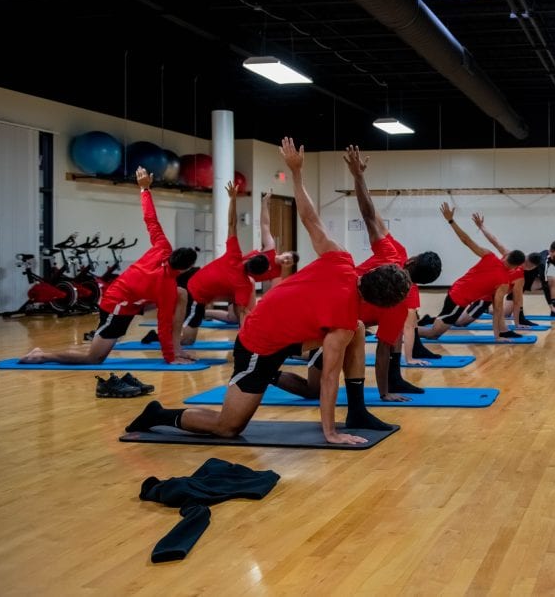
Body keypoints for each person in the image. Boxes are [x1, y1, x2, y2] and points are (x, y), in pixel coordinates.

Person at [125, 137, 412, 445]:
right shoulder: (343, 318)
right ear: (380, 304)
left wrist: (296, 172)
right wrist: (330, 432)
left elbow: (309, 218)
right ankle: (158, 414)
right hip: (257, 345)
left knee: (355, 329)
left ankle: (357, 410)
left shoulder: (340, 258)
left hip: (285, 337)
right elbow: (329, 378)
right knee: (228, 427)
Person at [276, 145, 442, 403]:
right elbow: (383, 351)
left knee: (314, 382)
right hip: (330, 323)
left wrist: (358, 176)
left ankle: (266, 369)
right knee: (314, 381)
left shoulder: (391, 254)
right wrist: (385, 393)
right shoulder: (401, 305)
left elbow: (368, 216)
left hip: (329, 320)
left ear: (410, 260)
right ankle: (268, 367)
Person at [20, 167, 198, 365]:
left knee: (181, 293)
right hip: (117, 305)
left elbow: (151, 221)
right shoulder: (164, 287)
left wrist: (144, 189)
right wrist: (169, 358)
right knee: (94, 358)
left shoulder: (163, 248)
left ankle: (177, 347)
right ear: (185, 269)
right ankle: (41, 355)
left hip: (135, 299)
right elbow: (163, 324)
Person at [143, 182, 269, 346]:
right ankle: (159, 336)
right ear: (257, 275)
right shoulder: (243, 284)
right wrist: (246, 340)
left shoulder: (234, 254)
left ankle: (166, 333)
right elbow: (243, 312)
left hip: (195, 288)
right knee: (186, 340)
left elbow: (232, 224)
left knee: (188, 335)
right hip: (193, 293)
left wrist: (233, 199)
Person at [417, 203, 526, 342]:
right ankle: (403, 331)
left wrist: (451, 221)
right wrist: (497, 337)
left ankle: (411, 327)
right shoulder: (504, 282)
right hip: (458, 299)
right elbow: (498, 309)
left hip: (455, 290)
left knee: (449, 322)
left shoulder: (489, 255)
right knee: (433, 333)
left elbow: (466, 241)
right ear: (515, 267)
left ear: (505, 256)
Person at [203, 189, 299, 324]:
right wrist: (264, 203)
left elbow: (271, 295)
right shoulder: (270, 248)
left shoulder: (277, 274)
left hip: (241, 285)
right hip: (230, 273)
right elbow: (265, 225)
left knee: (233, 317)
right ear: (284, 252)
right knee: (227, 304)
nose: (286, 261)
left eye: (289, 262)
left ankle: (204, 313)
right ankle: (202, 307)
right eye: (288, 257)